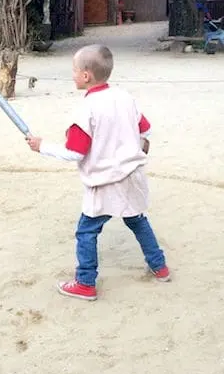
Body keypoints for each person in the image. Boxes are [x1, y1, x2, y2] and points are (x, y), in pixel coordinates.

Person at [26, 44, 169, 301]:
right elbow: (145, 130)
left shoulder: (87, 108)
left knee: (86, 231)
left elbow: (75, 153)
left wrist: (42, 146)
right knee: (137, 220)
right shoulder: (125, 97)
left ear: (85, 76)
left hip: (105, 180)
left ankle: (85, 283)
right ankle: (160, 267)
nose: (72, 75)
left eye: (74, 70)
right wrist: (136, 146)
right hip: (132, 175)